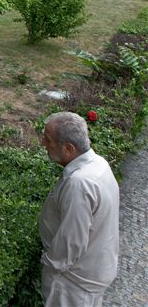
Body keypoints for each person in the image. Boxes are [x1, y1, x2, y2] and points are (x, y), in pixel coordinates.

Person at [39, 111, 119, 306]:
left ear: (68, 148)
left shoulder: (79, 183)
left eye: (48, 140)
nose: (44, 144)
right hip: (90, 273)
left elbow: (71, 242)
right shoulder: (99, 163)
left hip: (72, 284)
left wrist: (50, 265)